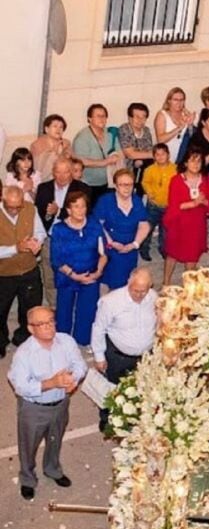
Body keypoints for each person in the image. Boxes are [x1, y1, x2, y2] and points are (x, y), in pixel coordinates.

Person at [9, 305, 87, 500]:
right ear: (31, 329)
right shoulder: (24, 354)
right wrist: (51, 383)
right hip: (34, 408)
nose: (49, 327)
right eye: (42, 324)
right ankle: (27, 478)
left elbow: (80, 364)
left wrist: (73, 380)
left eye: (51, 321)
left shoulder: (66, 341)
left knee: (55, 439)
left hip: (60, 404)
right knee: (29, 444)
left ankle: (52, 469)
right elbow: (20, 386)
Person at [90, 267, 157, 432]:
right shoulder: (111, 302)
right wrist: (99, 357)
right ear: (129, 283)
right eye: (136, 290)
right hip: (118, 357)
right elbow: (99, 329)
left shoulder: (153, 297)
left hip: (145, 356)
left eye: (144, 291)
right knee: (112, 391)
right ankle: (108, 420)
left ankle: (135, 419)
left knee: (141, 389)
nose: (140, 295)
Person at [49, 190, 106, 345]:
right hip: (67, 277)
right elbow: (56, 259)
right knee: (64, 312)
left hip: (91, 276)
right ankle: (63, 343)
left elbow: (103, 253)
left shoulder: (94, 226)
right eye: (76, 206)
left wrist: (98, 272)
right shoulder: (59, 229)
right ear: (68, 209)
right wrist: (74, 275)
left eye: (83, 206)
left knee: (87, 312)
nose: (80, 210)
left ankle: (83, 340)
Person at [162, 150, 209, 286]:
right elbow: (174, 205)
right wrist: (194, 203)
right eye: (192, 160)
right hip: (178, 223)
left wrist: (203, 201)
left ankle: (188, 287)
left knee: (192, 256)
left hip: (196, 224)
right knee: (172, 254)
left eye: (199, 161)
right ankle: (166, 283)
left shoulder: (207, 180)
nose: (196, 164)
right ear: (185, 163)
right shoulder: (176, 180)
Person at [0, 185, 46, 358]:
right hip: (3, 274)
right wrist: (15, 248)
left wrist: (37, 242)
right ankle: (1, 342)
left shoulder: (30, 209)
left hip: (28, 270)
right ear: (2, 200)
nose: (15, 210)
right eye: (11, 206)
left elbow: (40, 232)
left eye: (18, 206)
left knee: (30, 309)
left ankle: (23, 338)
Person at [93, 169, 149, 290]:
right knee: (114, 283)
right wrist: (111, 243)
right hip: (111, 247)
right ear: (116, 186)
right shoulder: (105, 200)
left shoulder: (137, 201)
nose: (127, 188)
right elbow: (97, 224)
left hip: (130, 247)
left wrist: (135, 244)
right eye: (122, 184)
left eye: (130, 184)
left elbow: (144, 225)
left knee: (129, 280)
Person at [72, 103, 123, 203]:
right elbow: (80, 161)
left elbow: (119, 151)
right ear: (89, 118)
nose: (102, 119)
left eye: (104, 116)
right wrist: (105, 162)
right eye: (98, 116)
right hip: (88, 184)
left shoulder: (110, 133)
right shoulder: (82, 137)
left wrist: (116, 156)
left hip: (108, 182)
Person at [139, 144, 175, 260]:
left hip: (169, 206)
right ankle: (144, 248)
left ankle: (163, 249)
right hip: (153, 205)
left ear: (168, 155)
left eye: (163, 154)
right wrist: (149, 192)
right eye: (157, 155)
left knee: (165, 231)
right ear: (154, 157)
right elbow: (145, 182)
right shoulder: (150, 170)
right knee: (148, 228)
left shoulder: (175, 169)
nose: (160, 157)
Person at [153, 87, 194, 161]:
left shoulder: (186, 114)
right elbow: (160, 140)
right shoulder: (162, 115)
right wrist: (179, 128)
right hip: (166, 160)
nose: (179, 103)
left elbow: (192, 137)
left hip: (182, 158)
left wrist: (191, 124)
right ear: (169, 101)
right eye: (175, 100)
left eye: (181, 100)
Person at [30, 114, 71, 183]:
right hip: (43, 181)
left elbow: (71, 162)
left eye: (61, 127)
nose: (58, 129)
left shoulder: (66, 143)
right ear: (46, 129)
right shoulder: (37, 145)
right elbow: (39, 172)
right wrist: (54, 151)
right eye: (55, 126)